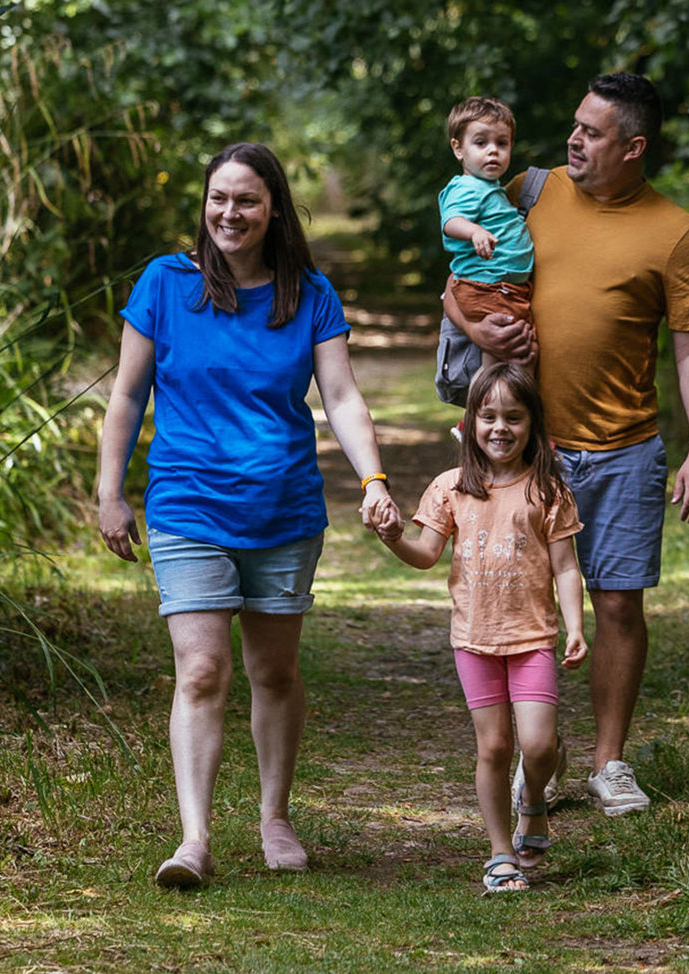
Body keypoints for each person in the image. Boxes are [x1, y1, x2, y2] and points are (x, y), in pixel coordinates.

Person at [97, 142, 401, 887]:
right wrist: (110, 489)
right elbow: (128, 395)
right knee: (201, 670)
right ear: (204, 206)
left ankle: (273, 816)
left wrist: (373, 477)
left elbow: (342, 397)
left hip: (282, 508)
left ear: (273, 211)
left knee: (273, 669)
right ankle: (193, 839)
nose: (229, 213)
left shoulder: (308, 294)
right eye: (218, 199)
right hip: (187, 502)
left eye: (247, 201)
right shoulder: (165, 285)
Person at [443, 73, 689, 817]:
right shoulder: (530, 189)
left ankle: (608, 763)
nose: (573, 139)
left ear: (632, 147)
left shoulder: (675, 234)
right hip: (531, 449)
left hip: (626, 448)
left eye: (592, 133)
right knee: (527, 610)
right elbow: (457, 276)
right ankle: (541, 759)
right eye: (575, 125)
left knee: (618, 606)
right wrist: (474, 331)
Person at [375, 363, 587, 892]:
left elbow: (565, 567)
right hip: (474, 639)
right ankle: (500, 853)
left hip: (533, 637)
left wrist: (577, 626)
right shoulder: (451, 489)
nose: (500, 428)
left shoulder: (547, 491)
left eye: (514, 417)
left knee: (537, 747)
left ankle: (532, 798)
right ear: (469, 423)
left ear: (533, 425)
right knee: (493, 747)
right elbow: (425, 554)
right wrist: (393, 538)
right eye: (488, 415)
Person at [434, 96, 537, 405]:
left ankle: (493, 414)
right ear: (458, 148)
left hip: (502, 287)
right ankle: (483, 414)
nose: (493, 150)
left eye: (502, 143)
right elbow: (451, 221)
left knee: (516, 357)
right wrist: (475, 231)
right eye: (481, 143)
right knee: (508, 357)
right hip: (486, 287)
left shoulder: (491, 189)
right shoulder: (465, 188)